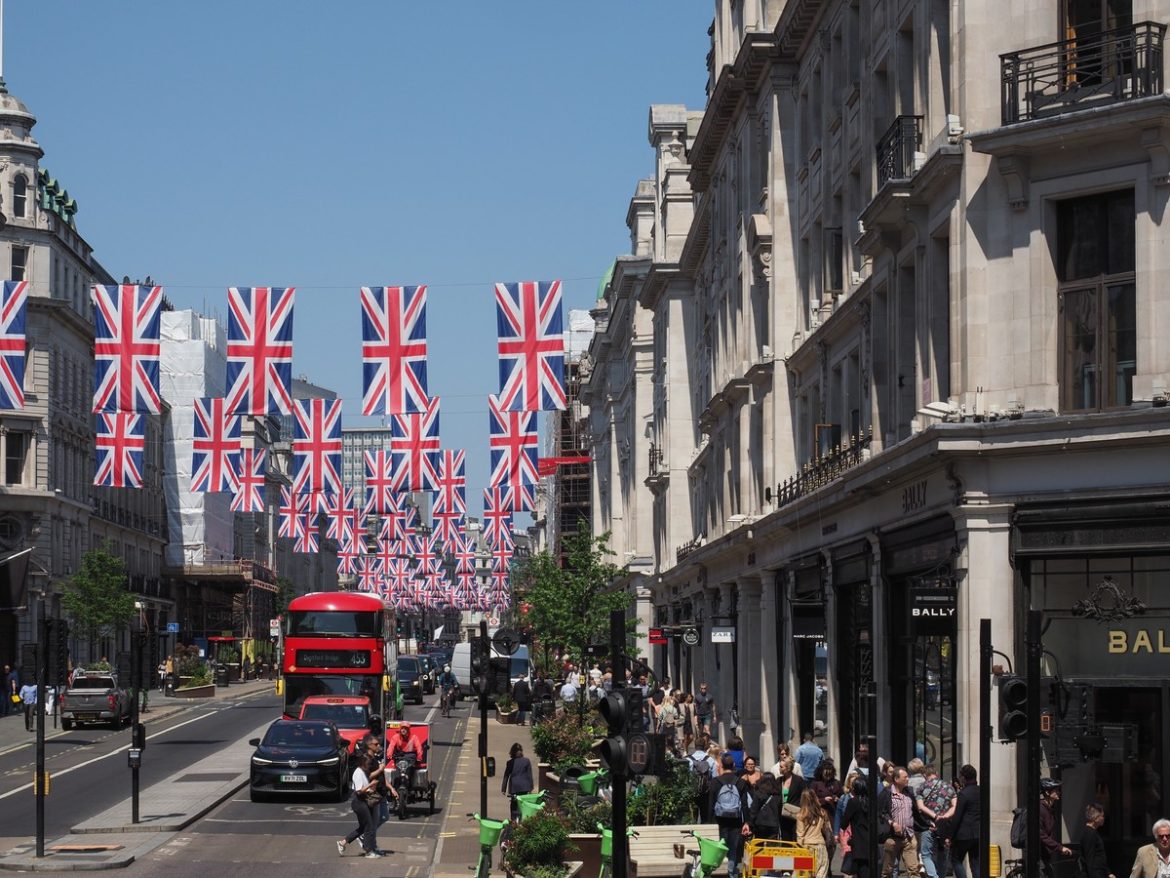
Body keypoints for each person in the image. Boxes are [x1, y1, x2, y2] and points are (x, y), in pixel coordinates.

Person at [877, 765, 925, 878]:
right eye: (905, 777)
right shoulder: (886, 793)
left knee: (914, 870)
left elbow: (916, 813)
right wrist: (892, 823)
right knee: (887, 871)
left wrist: (927, 824)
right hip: (891, 837)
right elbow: (880, 813)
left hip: (908, 836)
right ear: (896, 779)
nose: (908, 779)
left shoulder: (909, 793)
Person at [337, 751, 385, 858]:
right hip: (359, 802)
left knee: (363, 827)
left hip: (363, 801)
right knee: (369, 826)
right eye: (367, 764)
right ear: (362, 763)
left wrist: (371, 789)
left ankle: (343, 842)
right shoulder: (358, 773)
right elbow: (358, 791)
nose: (369, 766)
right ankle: (369, 851)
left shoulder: (363, 772)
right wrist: (371, 785)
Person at [709, 754, 750, 878]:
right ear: (733, 766)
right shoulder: (741, 782)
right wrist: (747, 822)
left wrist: (710, 822)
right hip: (736, 821)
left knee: (719, 848)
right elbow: (744, 805)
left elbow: (711, 803)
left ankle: (719, 873)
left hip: (719, 821)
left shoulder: (715, 782)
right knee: (733, 849)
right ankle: (731, 873)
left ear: (721, 765)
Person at [917, 763, 955, 878]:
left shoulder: (922, 787)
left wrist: (934, 816)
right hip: (944, 826)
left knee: (926, 854)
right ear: (936, 773)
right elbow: (954, 806)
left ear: (925, 775)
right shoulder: (948, 786)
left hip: (928, 825)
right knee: (943, 853)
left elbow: (920, 807)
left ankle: (934, 876)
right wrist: (944, 817)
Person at [1039, 777, 1073, 875]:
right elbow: (1041, 834)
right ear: (1047, 792)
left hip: (1045, 854)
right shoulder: (1040, 809)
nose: (1059, 793)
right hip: (1038, 856)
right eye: (1056, 790)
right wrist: (1060, 848)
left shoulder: (1049, 809)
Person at [796, 787, 832, 878]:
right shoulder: (822, 813)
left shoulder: (801, 815)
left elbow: (800, 835)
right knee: (821, 872)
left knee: (806, 874)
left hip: (806, 848)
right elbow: (828, 830)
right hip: (821, 846)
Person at [841, 777, 872, 878]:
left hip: (858, 843)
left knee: (860, 872)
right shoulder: (871, 802)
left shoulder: (853, 802)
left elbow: (844, 823)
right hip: (871, 842)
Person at [501, 742, 535, 821]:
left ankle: (513, 821)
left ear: (512, 752)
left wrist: (503, 789)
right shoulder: (526, 761)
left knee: (514, 805)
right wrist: (531, 788)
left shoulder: (510, 763)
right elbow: (529, 775)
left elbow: (506, 775)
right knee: (523, 804)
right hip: (525, 787)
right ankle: (522, 820)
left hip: (514, 787)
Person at [777, 755, 808, 841]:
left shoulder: (798, 781)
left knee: (795, 838)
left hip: (795, 814)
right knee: (785, 839)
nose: (779, 768)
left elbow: (805, 796)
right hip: (782, 816)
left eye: (781, 767)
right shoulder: (778, 781)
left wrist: (803, 810)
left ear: (787, 768)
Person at [1078, 803, 1113, 878]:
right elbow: (1089, 859)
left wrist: (1108, 873)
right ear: (1096, 817)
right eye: (1102, 816)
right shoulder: (1089, 834)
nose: (1104, 818)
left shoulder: (1093, 832)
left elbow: (1099, 856)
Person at [748, 774, 783, 840]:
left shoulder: (758, 793)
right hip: (773, 823)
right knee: (771, 847)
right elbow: (779, 809)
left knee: (759, 845)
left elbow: (754, 810)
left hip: (760, 823)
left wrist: (751, 824)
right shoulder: (777, 794)